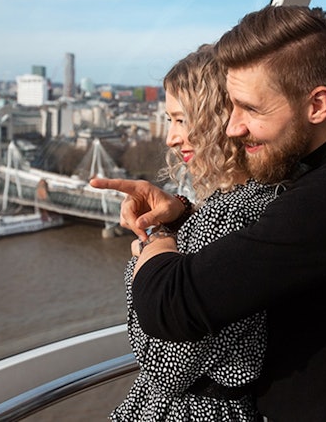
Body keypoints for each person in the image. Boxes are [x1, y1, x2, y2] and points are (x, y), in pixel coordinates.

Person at [93, 5, 326, 421]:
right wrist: (182, 217)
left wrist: (156, 243)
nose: (231, 127)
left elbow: (172, 305)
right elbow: (264, 260)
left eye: (250, 109)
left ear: (317, 104)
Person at [99, 45, 280, 421]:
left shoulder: (228, 217)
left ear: (218, 119)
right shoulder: (258, 199)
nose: (170, 137)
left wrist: (151, 250)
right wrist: (181, 213)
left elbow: (166, 368)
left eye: (181, 120)